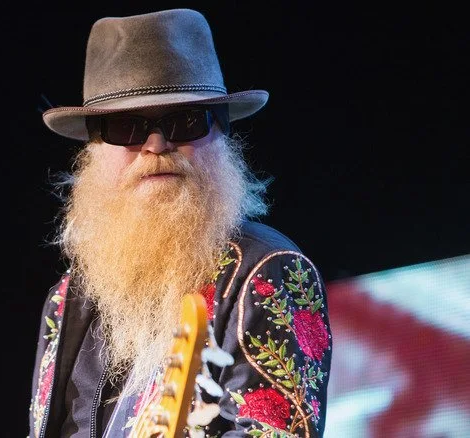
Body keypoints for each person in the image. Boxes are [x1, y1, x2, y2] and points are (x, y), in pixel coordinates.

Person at [28, 8, 332, 438]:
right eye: (126, 127)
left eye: (185, 121)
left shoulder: (270, 272)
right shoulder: (64, 301)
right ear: (93, 149)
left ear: (221, 134)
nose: (156, 144)